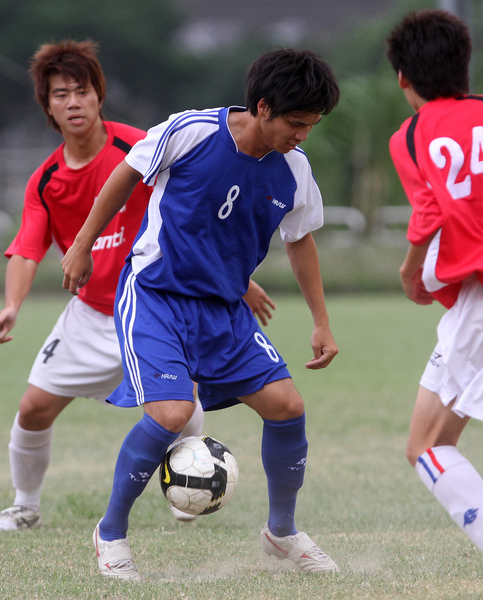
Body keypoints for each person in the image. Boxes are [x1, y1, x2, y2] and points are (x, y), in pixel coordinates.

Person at [62, 47, 340, 581]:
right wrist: (82, 245)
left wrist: (320, 321)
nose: (302, 135)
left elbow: (300, 240)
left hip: (224, 308)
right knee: (169, 414)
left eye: (312, 126)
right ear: (262, 108)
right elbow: (125, 176)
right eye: (296, 123)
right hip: (156, 295)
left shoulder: (294, 170)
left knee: (287, 406)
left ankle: (281, 532)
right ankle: (111, 533)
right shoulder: (190, 131)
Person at [0, 39, 277, 534]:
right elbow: (27, 247)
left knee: (179, 409)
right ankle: (24, 506)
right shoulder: (45, 180)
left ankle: (190, 489)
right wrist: (12, 305)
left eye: (82, 90)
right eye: (60, 94)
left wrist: (239, 279)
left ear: (99, 95)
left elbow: (196, 214)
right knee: (33, 408)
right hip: (91, 314)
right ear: (48, 106)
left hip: (154, 303)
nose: (73, 102)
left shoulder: (140, 147)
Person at [387, 9, 483, 553]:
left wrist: (409, 270)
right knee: (442, 441)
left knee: (423, 444)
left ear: (404, 78)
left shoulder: (415, 133)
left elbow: (429, 212)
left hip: (478, 298)